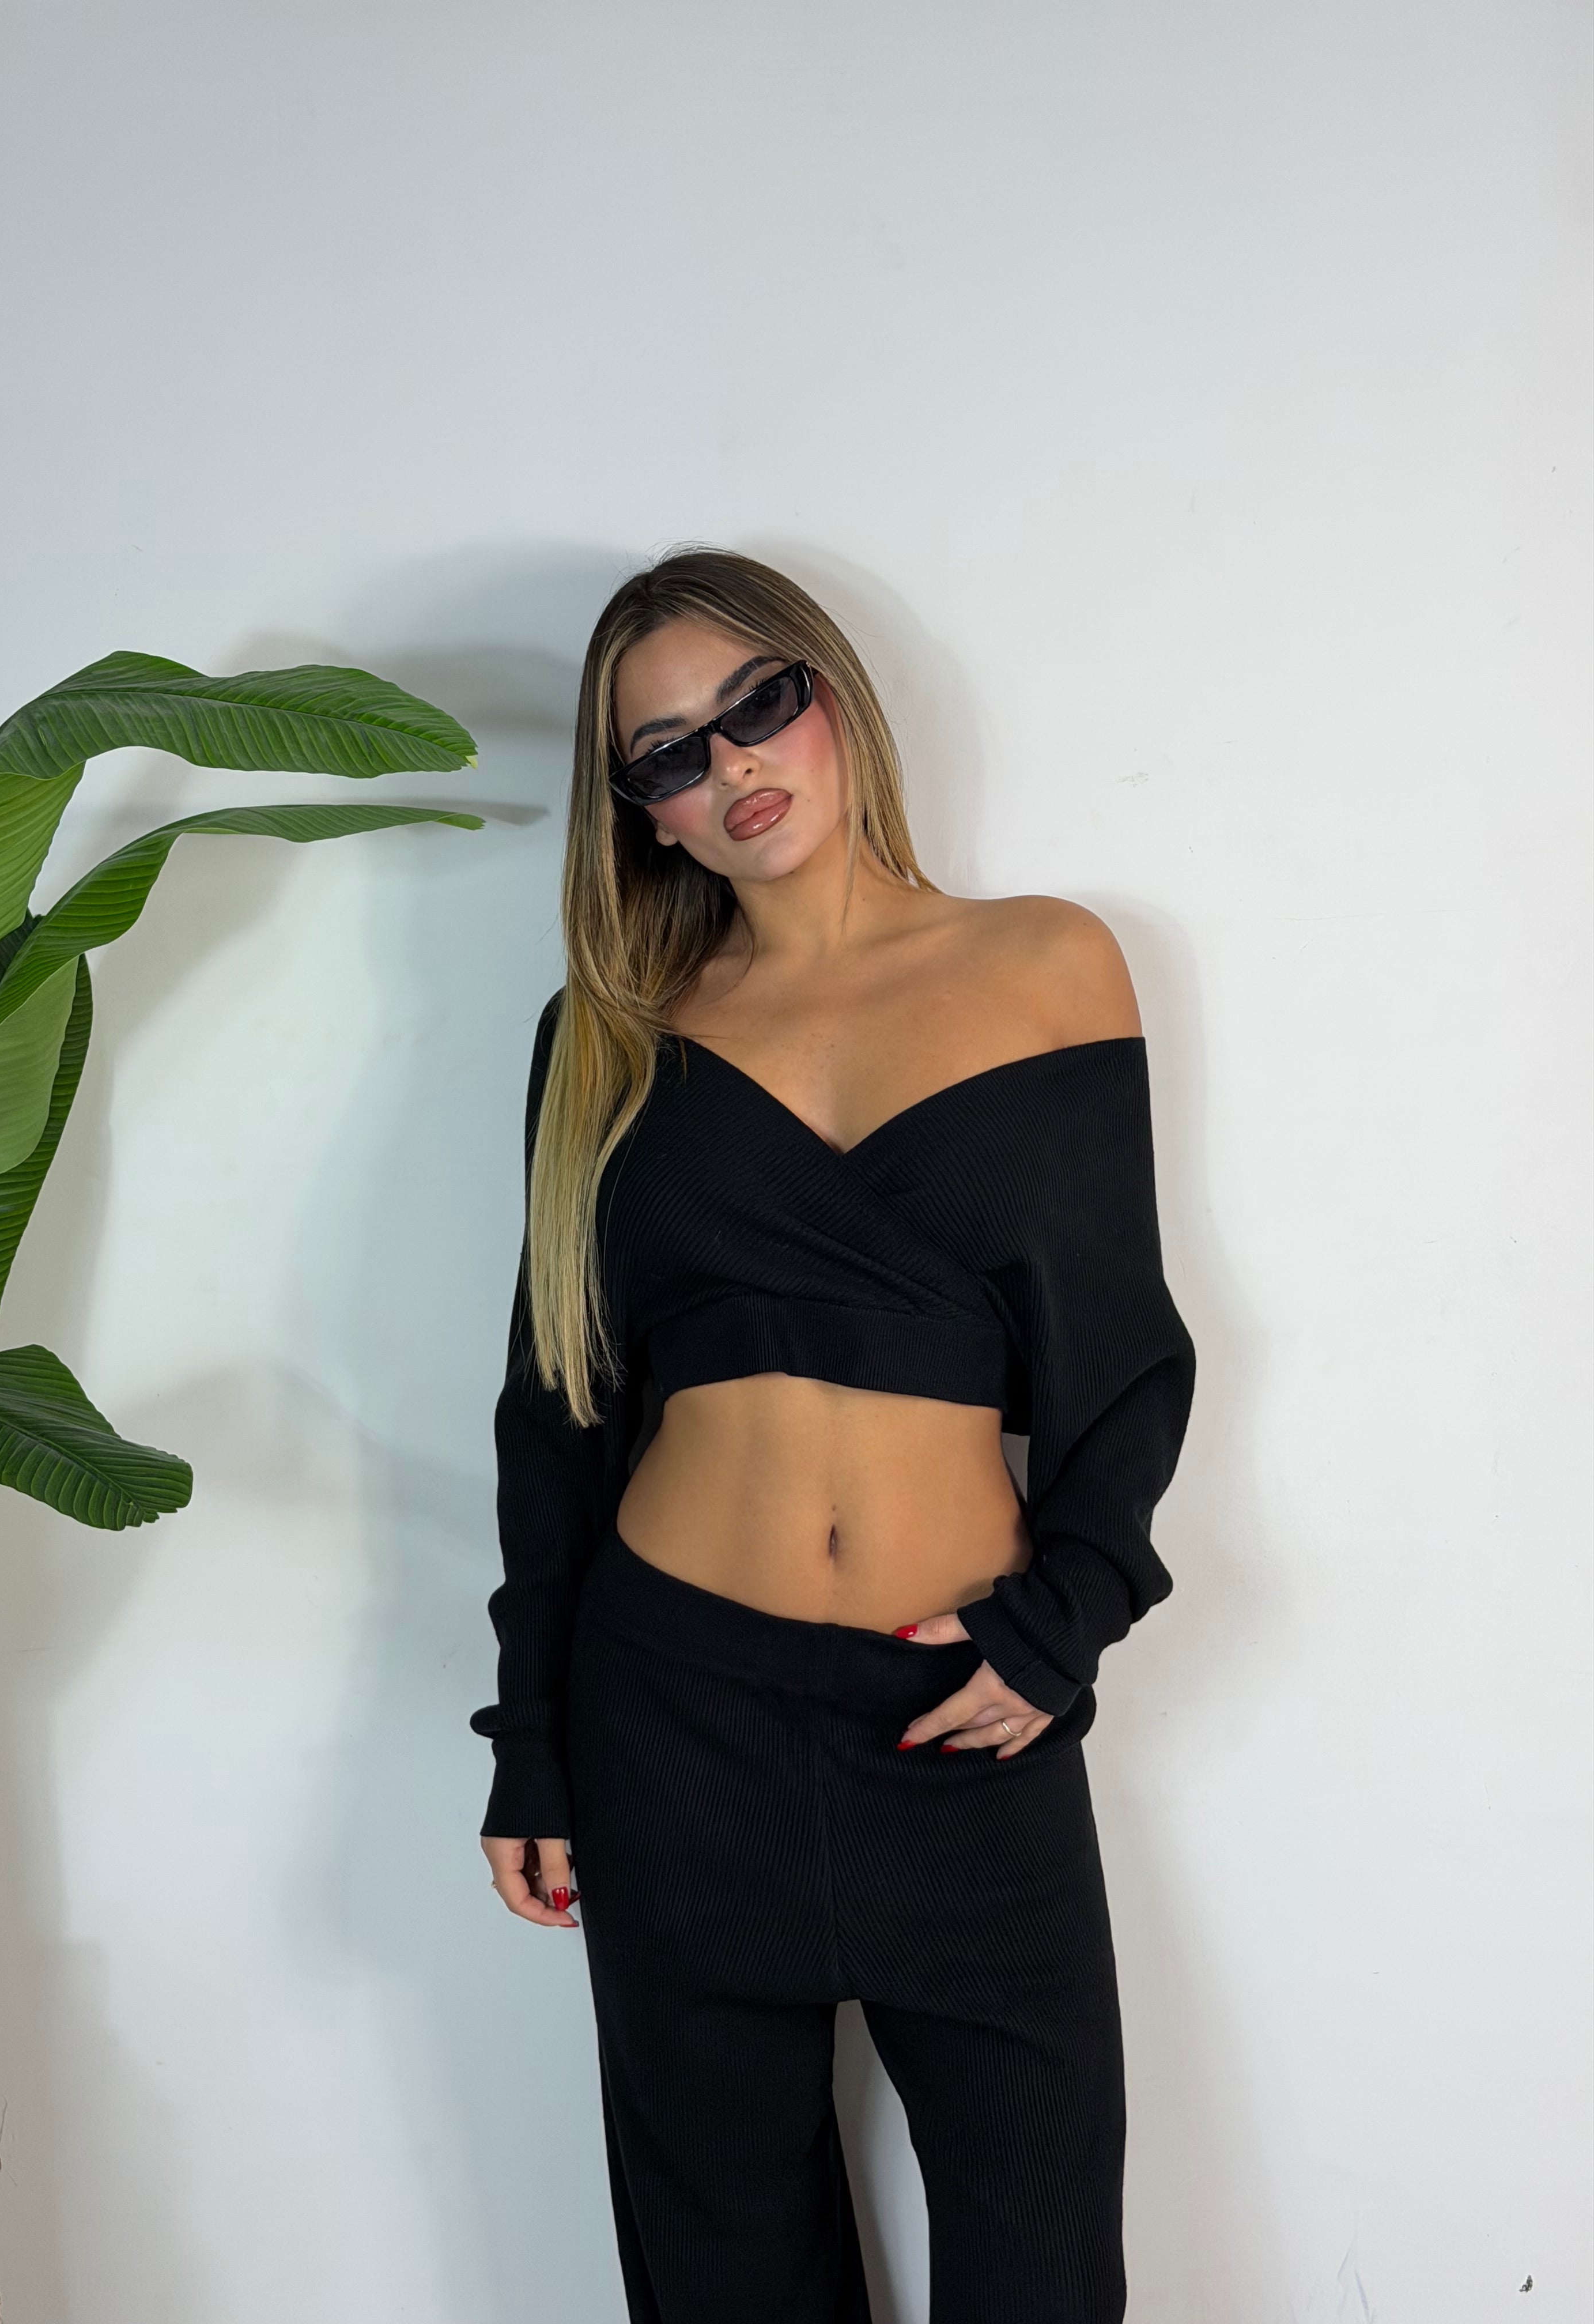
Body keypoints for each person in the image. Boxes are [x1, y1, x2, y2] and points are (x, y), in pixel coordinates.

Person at [471, 546, 1196, 2323]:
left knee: (1042, 2266)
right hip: (672, 1722)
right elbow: (558, 1410)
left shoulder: (1049, 962)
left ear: (834, 700)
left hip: (956, 1713)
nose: (730, 763)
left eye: (758, 703)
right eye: (667, 752)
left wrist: (1063, 1624)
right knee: (724, 2275)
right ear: (639, 814)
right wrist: (536, 1747)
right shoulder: (607, 1040)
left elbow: (1122, 1354)